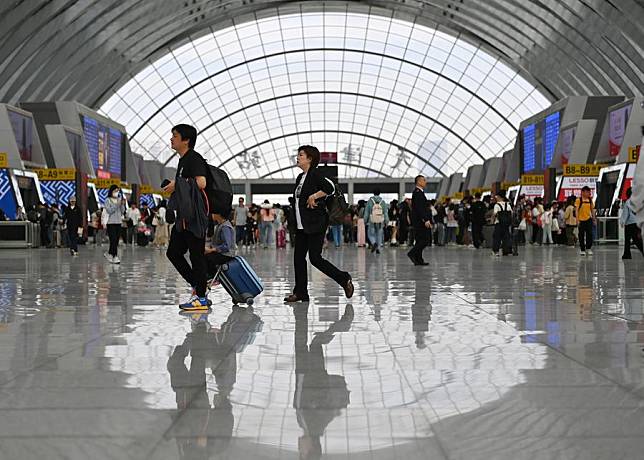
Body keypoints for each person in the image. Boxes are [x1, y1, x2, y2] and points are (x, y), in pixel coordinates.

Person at [284, 145, 354, 303]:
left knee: (315, 258)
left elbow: (330, 188)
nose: (298, 157)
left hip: (316, 222)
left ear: (310, 159)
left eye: (301, 155)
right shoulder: (300, 178)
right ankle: (301, 293)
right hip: (302, 225)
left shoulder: (315, 174)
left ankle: (344, 279)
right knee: (298, 259)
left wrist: (314, 196)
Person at [164, 124, 211, 310]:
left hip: (195, 217)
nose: (171, 139)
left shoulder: (194, 158)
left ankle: (201, 298)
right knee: (173, 252)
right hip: (183, 217)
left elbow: (201, 182)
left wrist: (177, 184)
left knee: (196, 255)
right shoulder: (182, 160)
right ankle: (198, 285)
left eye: (175, 136)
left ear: (186, 140)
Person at [205, 208, 235, 282]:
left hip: (226, 255)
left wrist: (212, 250)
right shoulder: (220, 225)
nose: (212, 215)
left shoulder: (225, 227)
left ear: (219, 215)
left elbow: (227, 246)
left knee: (207, 258)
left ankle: (211, 277)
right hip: (222, 253)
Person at [407, 175, 431, 266]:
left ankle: (419, 259)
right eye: (424, 180)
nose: (425, 182)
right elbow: (420, 208)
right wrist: (425, 220)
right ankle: (412, 253)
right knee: (424, 240)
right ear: (419, 182)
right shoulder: (418, 193)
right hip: (420, 221)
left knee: (419, 240)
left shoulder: (419, 192)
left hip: (419, 221)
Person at [104, 185, 126, 263]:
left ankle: (110, 253)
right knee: (112, 240)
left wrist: (123, 204)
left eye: (118, 191)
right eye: (115, 191)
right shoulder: (107, 200)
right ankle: (115, 256)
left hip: (118, 222)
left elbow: (123, 211)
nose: (116, 192)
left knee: (116, 240)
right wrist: (117, 205)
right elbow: (109, 211)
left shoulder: (119, 200)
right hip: (110, 223)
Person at [620, 187, 643, 260]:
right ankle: (626, 254)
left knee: (629, 240)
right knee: (636, 239)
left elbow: (626, 213)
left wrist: (622, 221)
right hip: (637, 223)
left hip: (629, 224)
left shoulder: (628, 202)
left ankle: (627, 254)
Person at [364, 189, 388, 254]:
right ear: (379, 193)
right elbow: (385, 212)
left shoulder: (370, 201)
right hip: (380, 221)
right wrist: (386, 221)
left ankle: (374, 243)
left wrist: (365, 220)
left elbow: (367, 212)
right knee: (379, 235)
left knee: (370, 234)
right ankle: (378, 248)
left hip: (371, 220)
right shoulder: (382, 202)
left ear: (373, 193)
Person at [575, 186, 596, 256]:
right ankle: (582, 250)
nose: (588, 193)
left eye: (589, 192)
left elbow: (592, 210)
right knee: (581, 235)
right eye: (587, 192)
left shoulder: (590, 200)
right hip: (581, 220)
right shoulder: (578, 200)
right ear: (583, 192)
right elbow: (576, 211)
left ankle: (589, 248)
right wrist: (577, 220)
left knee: (590, 234)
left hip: (588, 219)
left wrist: (594, 219)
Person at [492, 191, 513, 257]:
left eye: (496, 196)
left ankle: (496, 251)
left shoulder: (497, 205)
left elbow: (495, 214)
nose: (496, 198)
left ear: (499, 197)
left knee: (497, 238)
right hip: (506, 224)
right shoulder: (508, 204)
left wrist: (492, 220)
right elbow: (511, 214)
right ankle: (506, 251)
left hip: (499, 224)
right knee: (506, 237)